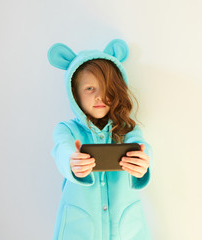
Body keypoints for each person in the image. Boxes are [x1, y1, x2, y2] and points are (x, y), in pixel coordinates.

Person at [47, 39, 153, 240]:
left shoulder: (127, 129)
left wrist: (143, 162)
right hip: (79, 229)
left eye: (106, 89)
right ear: (74, 93)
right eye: (89, 89)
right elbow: (62, 149)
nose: (99, 96)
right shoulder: (66, 130)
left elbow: (143, 147)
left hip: (126, 229)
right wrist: (72, 161)